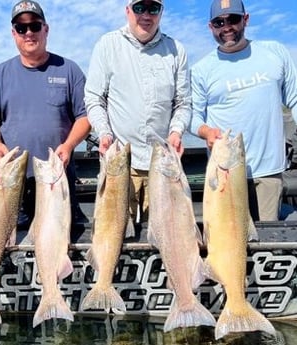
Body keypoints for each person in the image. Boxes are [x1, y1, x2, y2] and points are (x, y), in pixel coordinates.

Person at [0, 0, 91, 228]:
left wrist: (69, 145)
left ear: (46, 29)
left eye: (35, 26)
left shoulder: (69, 70)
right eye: (21, 28)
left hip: (58, 179)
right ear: (14, 34)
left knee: (57, 245)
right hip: (14, 183)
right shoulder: (1, 74)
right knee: (13, 245)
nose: (28, 32)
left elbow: (85, 117)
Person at [84, 0, 191, 226]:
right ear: (127, 10)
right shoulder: (107, 45)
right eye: (139, 8)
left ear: (161, 12)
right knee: (115, 234)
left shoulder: (176, 50)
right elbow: (94, 98)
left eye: (153, 8)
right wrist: (104, 133)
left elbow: (183, 103)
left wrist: (176, 131)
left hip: (162, 164)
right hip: (121, 163)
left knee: (167, 234)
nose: (146, 15)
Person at [189, 0, 297, 221]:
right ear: (211, 26)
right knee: (229, 241)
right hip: (225, 172)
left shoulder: (274, 52)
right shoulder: (201, 70)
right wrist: (206, 132)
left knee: (268, 243)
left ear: (245, 19)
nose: (227, 27)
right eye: (219, 22)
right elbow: (191, 117)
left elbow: (294, 99)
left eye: (233, 19)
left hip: (269, 171)